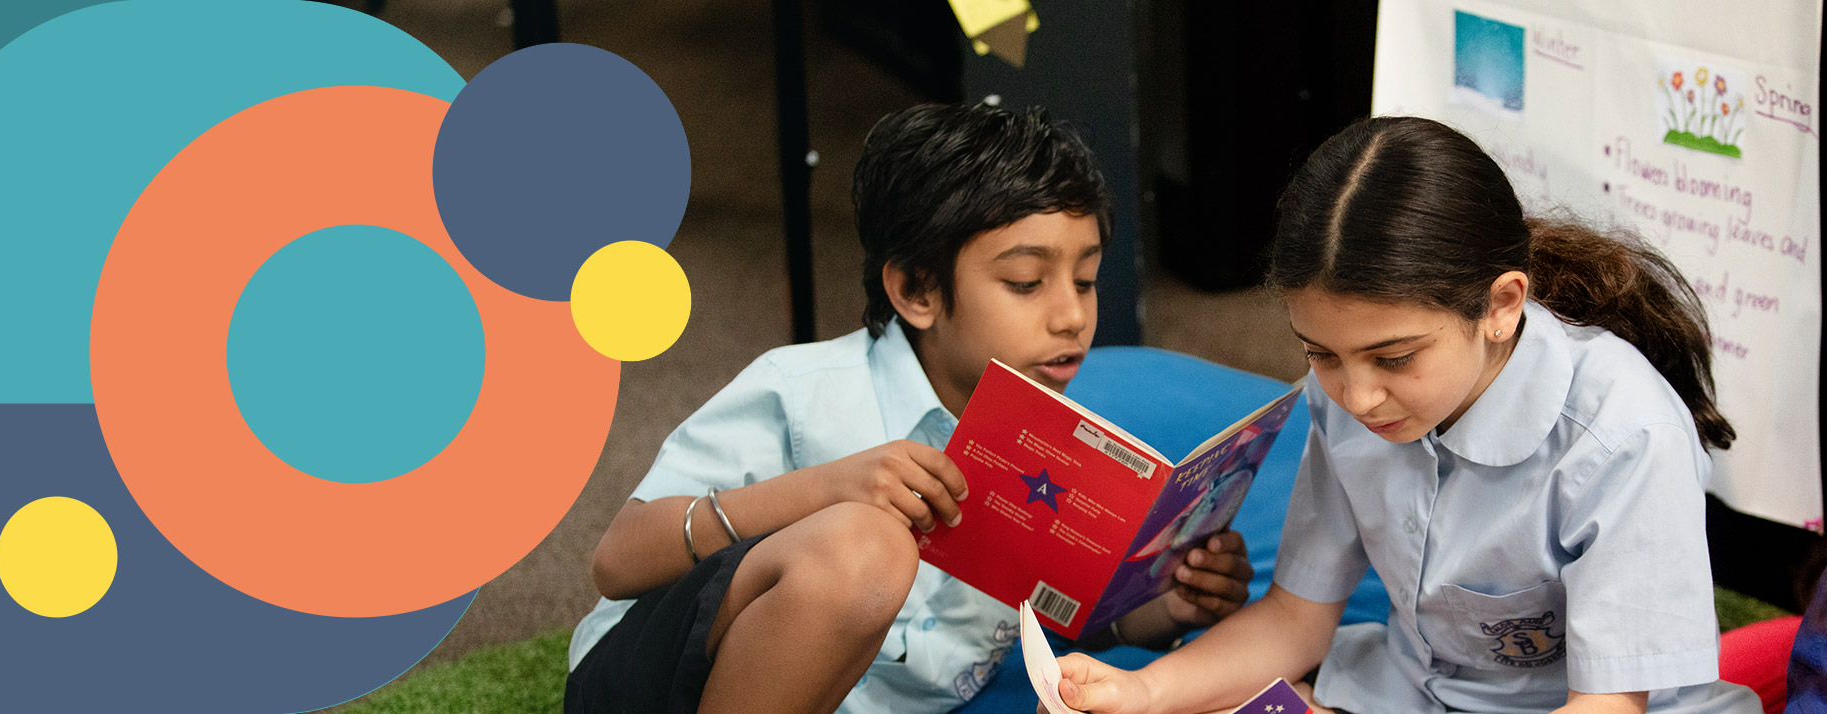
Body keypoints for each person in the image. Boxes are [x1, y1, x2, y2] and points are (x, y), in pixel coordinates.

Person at [1047, 116, 1761, 714]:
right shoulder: (1345, 399)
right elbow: (1296, 618)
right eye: (1320, 354)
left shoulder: (1625, 435)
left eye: (1393, 358)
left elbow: (1609, 704)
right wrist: (1143, 691)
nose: (1355, 398)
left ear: (1502, 305)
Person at [564, 103, 1255, 714]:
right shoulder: (805, 390)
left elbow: (1052, 614)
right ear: (917, 291)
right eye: (1025, 282)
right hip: (656, 685)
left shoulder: (1051, 443)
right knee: (867, 549)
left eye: (1086, 279)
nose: (1072, 315)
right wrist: (823, 490)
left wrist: (1167, 607)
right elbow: (619, 561)